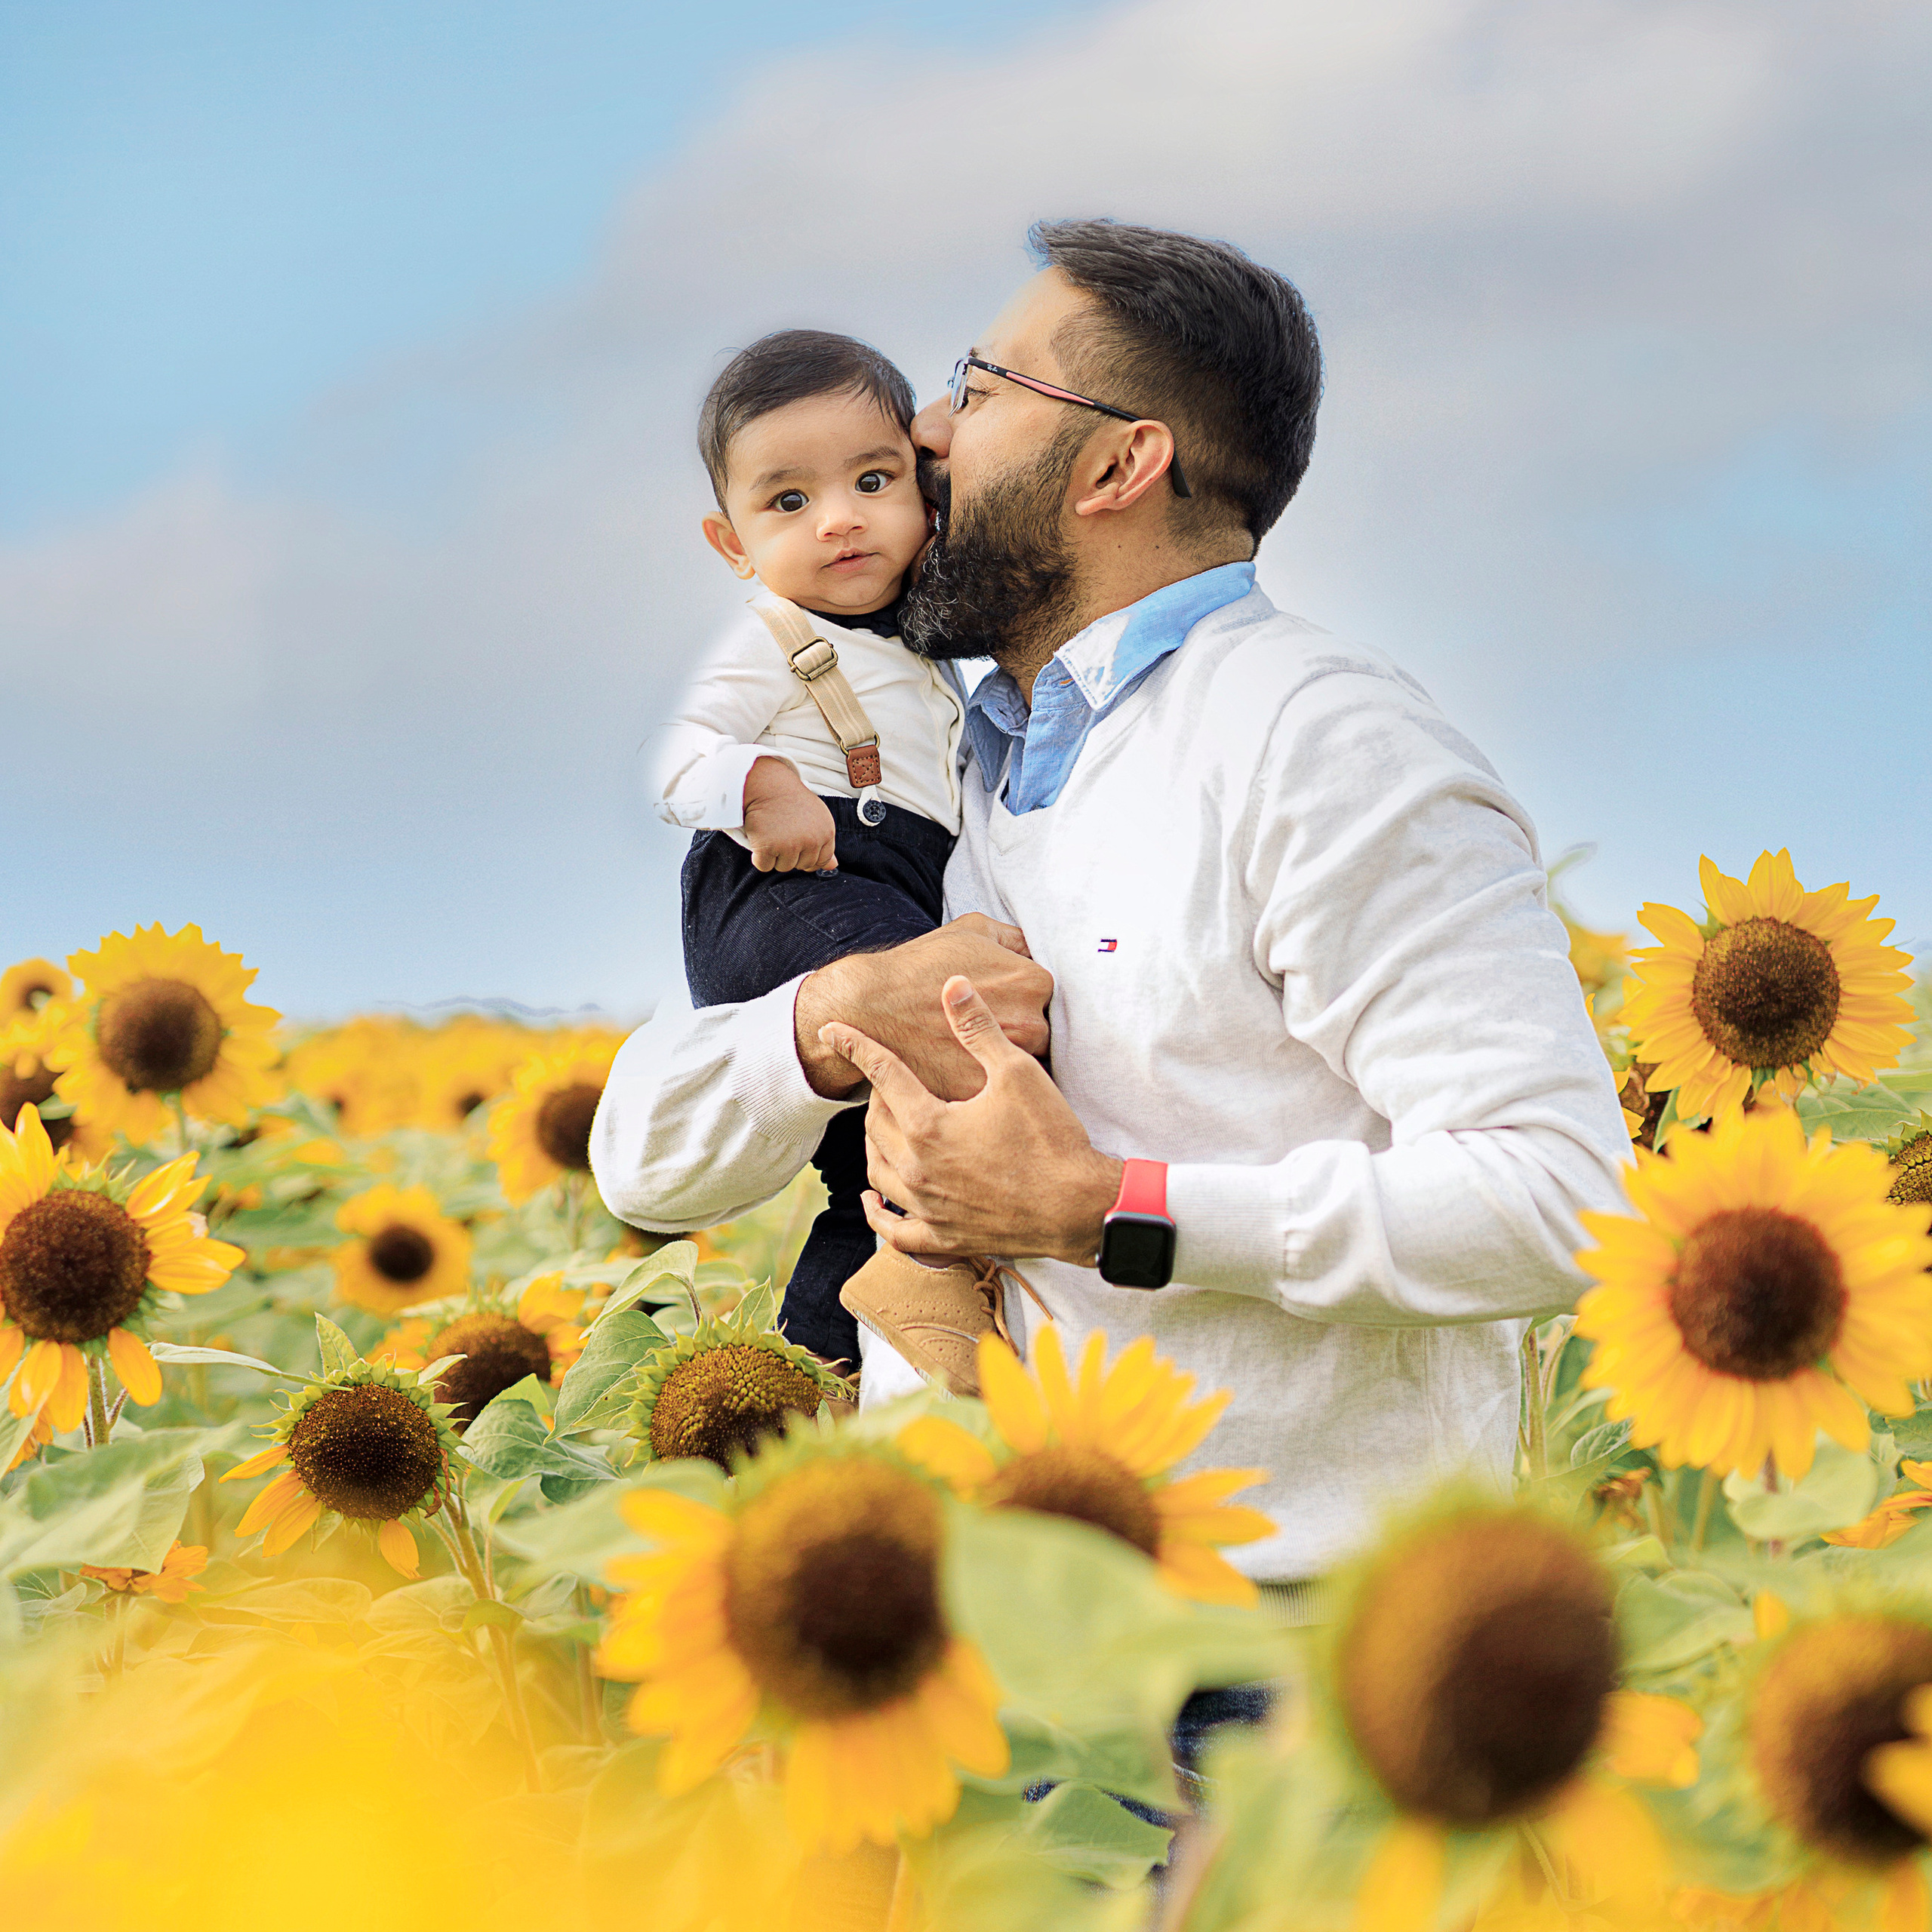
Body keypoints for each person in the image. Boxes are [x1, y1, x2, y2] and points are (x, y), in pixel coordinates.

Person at [598, 219, 1629, 1626]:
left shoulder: (1316, 745)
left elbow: (1561, 1202)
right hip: (970, 1635)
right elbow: (642, 1160)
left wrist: (1107, 1212)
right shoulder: (941, 762)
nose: (928, 427)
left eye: (981, 385)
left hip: (1270, 1657)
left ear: (1118, 464)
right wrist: (829, 1023)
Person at [651, 328, 1032, 1381]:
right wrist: (760, 788)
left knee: (875, 1164)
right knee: (965, 1023)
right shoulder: (766, 641)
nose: (840, 519)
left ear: (928, 495)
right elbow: (680, 762)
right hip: (790, 895)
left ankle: (826, 1361)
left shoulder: (917, 645)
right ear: (732, 547)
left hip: (881, 885)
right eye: (789, 504)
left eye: (874, 480)